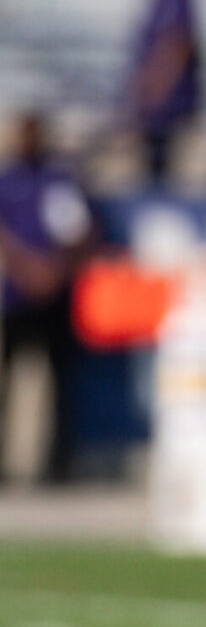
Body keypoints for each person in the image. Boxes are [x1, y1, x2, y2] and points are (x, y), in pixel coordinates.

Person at [0, 111, 95, 483]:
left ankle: (57, 465)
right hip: (16, 296)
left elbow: (82, 229)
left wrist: (55, 270)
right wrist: (27, 269)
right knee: (8, 383)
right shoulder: (7, 180)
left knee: (60, 384)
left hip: (56, 297)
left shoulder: (60, 180)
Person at [125, 0, 202, 186]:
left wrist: (156, 90)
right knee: (150, 176)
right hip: (152, 112)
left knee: (167, 181)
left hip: (169, 110)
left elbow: (178, 46)